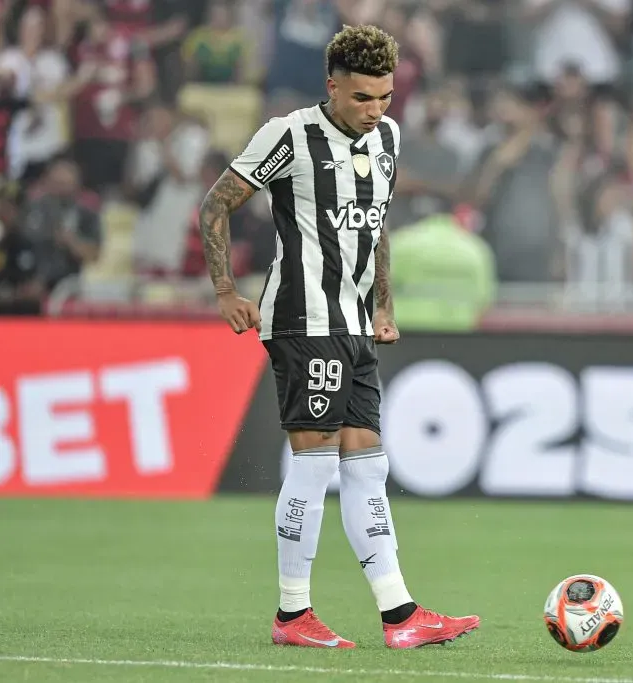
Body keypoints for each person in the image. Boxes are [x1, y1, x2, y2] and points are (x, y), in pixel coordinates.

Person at [196, 24, 479, 650]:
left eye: (384, 97)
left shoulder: (389, 139)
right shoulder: (289, 135)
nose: (375, 111)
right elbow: (216, 204)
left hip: (353, 325)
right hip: (302, 320)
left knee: (368, 466)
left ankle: (400, 615)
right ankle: (292, 613)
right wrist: (224, 291)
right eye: (361, 98)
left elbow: (374, 225)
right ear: (332, 86)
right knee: (315, 462)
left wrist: (383, 304)